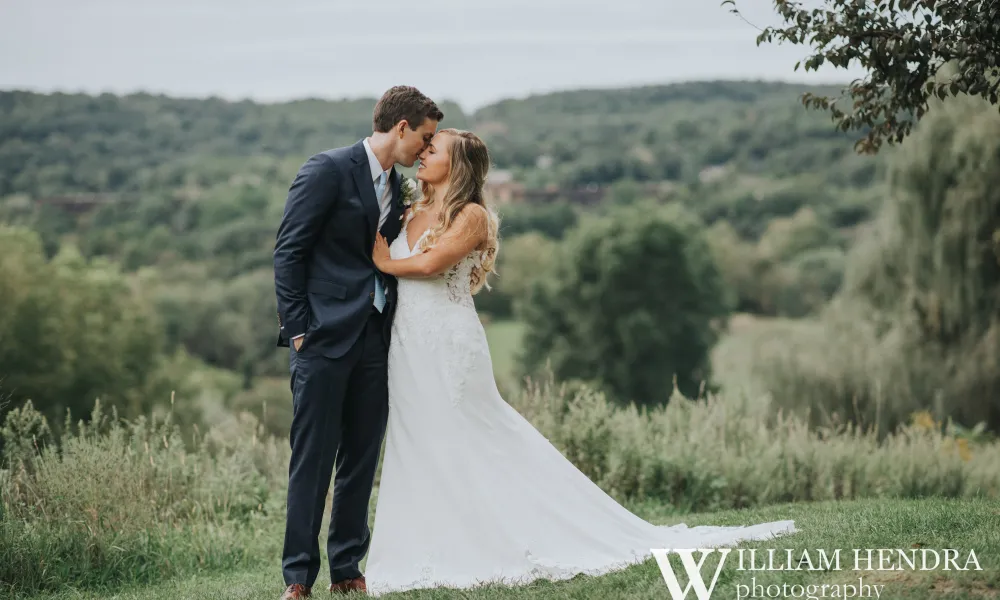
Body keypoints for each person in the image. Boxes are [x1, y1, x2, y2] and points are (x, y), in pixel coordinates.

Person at [364, 128, 798, 596]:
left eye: (435, 149)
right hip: (407, 346)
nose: (424, 153)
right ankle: (429, 542)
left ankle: (508, 534)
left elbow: (430, 266)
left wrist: (382, 261)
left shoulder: (471, 216)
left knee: (474, 434)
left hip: (449, 344)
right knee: (420, 439)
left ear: (459, 165)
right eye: (425, 147)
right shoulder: (410, 208)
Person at [272, 85, 442, 600]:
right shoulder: (326, 170)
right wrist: (300, 330)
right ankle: (298, 577)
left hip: (375, 337)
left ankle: (347, 567)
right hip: (321, 339)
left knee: (361, 459)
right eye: (426, 138)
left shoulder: (400, 184)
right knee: (313, 460)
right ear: (401, 128)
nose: (427, 150)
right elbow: (288, 253)